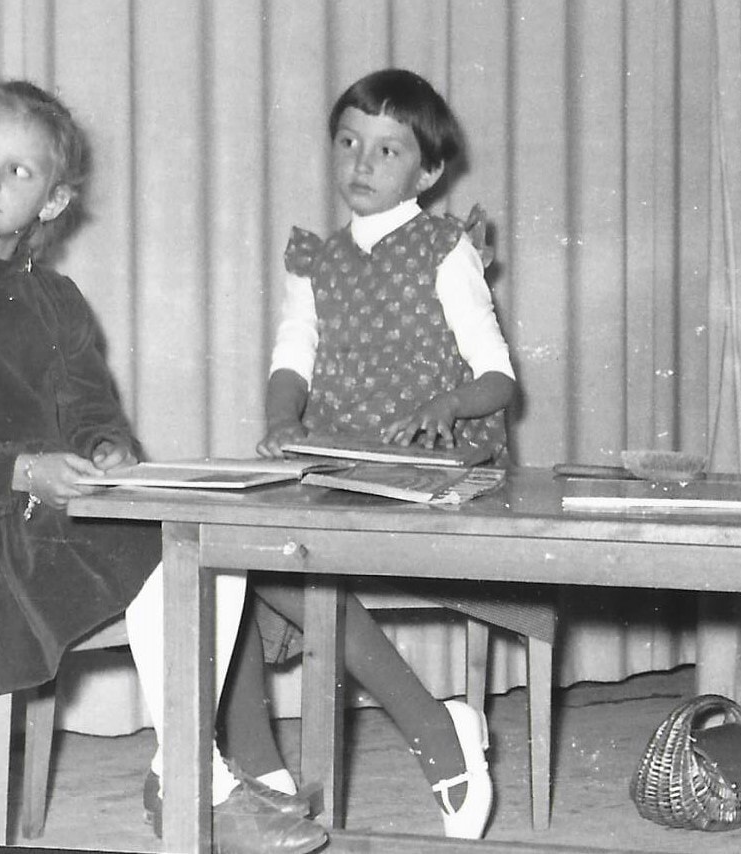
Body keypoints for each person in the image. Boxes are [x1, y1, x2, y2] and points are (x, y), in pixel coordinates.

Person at [0, 79, 328, 854]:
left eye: (18, 171)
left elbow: (92, 413)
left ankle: (185, 772)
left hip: (33, 521)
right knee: (174, 558)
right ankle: (199, 784)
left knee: (202, 549)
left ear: (55, 203)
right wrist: (25, 469)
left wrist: (108, 449)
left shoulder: (57, 298)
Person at [236, 67, 516, 841]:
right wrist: (280, 419)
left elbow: (497, 378)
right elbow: (292, 353)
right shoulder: (316, 259)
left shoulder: (444, 247)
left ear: (427, 172)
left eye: (386, 151)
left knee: (263, 565)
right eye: (350, 142)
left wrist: (444, 405)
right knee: (235, 556)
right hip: (339, 456)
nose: (361, 163)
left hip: (435, 459)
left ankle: (428, 725)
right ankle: (261, 774)